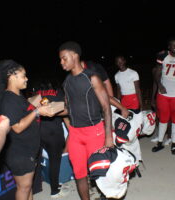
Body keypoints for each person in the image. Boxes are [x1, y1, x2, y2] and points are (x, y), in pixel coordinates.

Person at [59, 41, 114, 200]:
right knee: (79, 174)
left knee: (100, 171)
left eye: (64, 58)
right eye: (61, 59)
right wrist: (51, 112)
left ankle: (106, 196)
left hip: (94, 131)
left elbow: (106, 107)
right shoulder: (66, 82)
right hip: (75, 134)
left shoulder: (92, 78)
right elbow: (69, 108)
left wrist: (108, 136)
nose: (61, 62)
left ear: (75, 56)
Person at [0, 59, 53, 200]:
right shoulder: (8, 100)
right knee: (23, 188)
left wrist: (35, 106)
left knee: (28, 188)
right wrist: (37, 112)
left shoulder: (17, 96)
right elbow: (18, 127)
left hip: (27, 151)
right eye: (23, 75)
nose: (26, 79)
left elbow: (22, 113)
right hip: (19, 153)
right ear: (12, 76)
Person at [36, 80, 69, 198]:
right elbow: (65, 108)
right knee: (55, 162)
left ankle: (37, 186)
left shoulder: (38, 93)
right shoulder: (58, 92)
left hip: (40, 131)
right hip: (54, 132)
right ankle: (55, 190)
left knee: (40, 160)